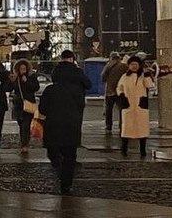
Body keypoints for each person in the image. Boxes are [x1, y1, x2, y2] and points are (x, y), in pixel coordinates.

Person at [40, 50, 91, 195]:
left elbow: (42, 110)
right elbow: (88, 86)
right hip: (72, 125)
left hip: (53, 127)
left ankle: (59, 170)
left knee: (54, 153)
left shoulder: (50, 90)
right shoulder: (77, 90)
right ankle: (66, 184)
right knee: (70, 156)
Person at [117, 55, 155, 157]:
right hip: (128, 105)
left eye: (136, 64)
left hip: (140, 106)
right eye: (132, 64)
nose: (134, 66)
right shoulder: (124, 77)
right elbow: (119, 87)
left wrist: (147, 74)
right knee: (126, 129)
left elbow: (150, 85)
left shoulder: (142, 76)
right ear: (129, 65)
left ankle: (143, 150)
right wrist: (121, 96)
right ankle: (124, 149)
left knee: (142, 129)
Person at [10, 58, 39, 154]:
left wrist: (26, 82)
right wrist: (12, 81)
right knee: (21, 125)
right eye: (21, 69)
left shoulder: (31, 77)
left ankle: (24, 144)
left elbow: (36, 87)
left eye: (24, 69)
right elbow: (9, 88)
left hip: (28, 103)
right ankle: (23, 141)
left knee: (26, 125)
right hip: (18, 104)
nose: (23, 70)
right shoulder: (16, 78)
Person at [101, 52, 128, 133]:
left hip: (110, 91)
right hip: (120, 90)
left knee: (109, 110)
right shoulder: (123, 66)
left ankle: (108, 126)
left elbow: (103, 78)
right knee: (121, 109)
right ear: (118, 58)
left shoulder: (108, 65)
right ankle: (122, 125)